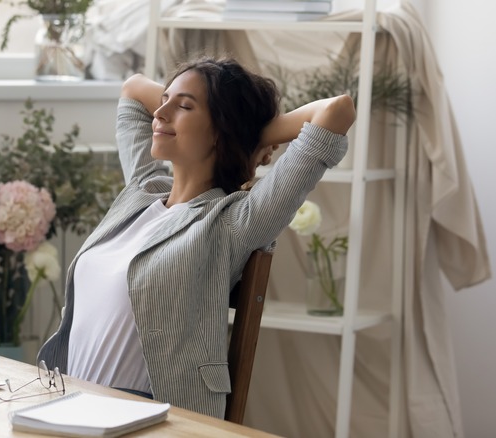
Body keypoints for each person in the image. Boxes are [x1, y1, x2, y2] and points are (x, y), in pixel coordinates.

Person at [38, 56, 355, 418]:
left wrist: (247, 130)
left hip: (148, 418)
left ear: (222, 130)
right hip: (69, 404)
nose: (160, 113)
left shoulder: (234, 222)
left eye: (184, 106)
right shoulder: (142, 191)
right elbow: (133, 89)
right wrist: (225, 122)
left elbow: (336, 111)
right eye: (164, 101)